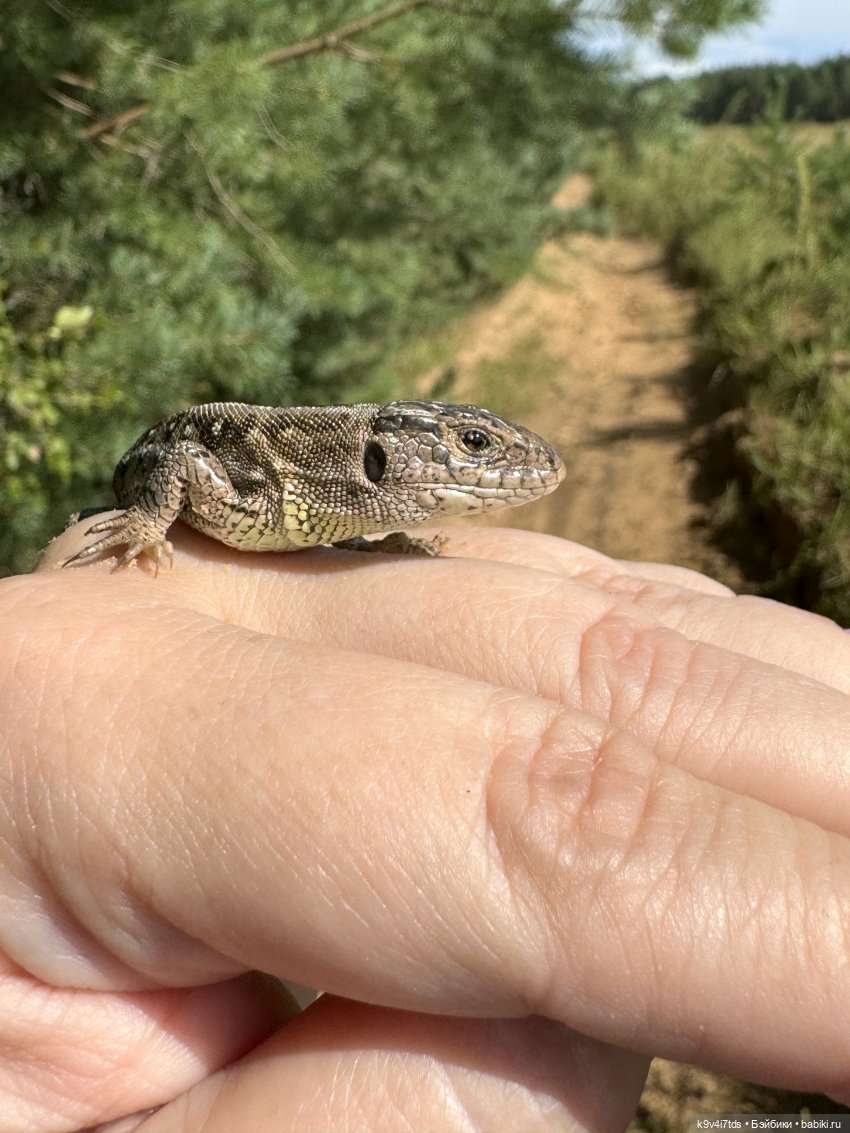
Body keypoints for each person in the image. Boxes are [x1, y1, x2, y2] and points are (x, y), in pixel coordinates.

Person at [1, 515, 849, 1132]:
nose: (497, 468)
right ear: (376, 458)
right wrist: (116, 547)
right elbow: (174, 461)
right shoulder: (260, 488)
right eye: (472, 447)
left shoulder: (346, 505)